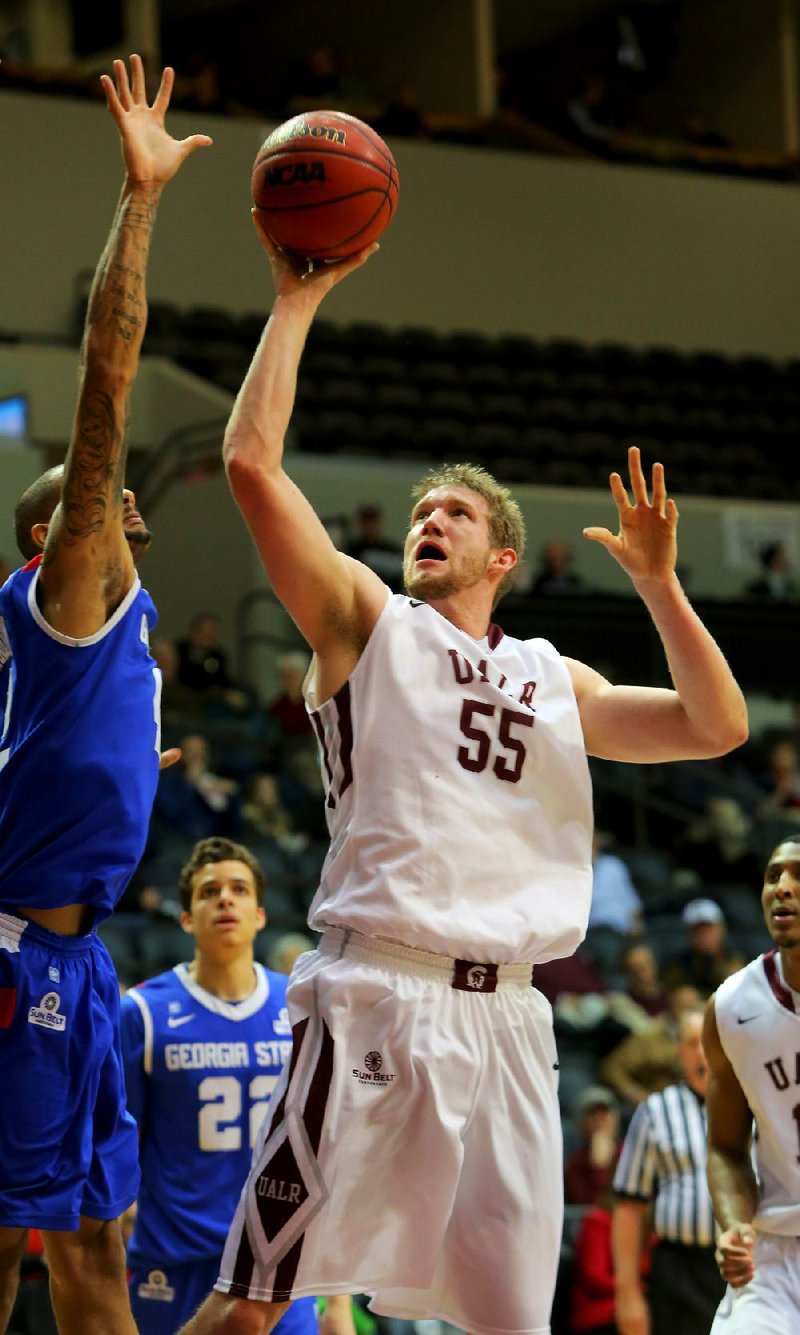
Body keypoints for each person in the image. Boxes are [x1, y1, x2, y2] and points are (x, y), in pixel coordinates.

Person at [177, 212, 746, 1335]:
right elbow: (249, 465)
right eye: (420, 509)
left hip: (511, 1023)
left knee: (507, 1326)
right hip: (379, 997)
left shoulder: (552, 676)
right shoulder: (364, 622)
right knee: (255, 1305)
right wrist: (295, 301)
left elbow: (714, 726)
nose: (427, 520)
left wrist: (660, 587)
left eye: (457, 512)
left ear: (500, 558)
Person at [0, 56, 211, 1335]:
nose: (122, 508)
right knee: (13, 1236)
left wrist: (135, 768)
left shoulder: (111, 633)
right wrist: (142, 199)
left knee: (94, 1234)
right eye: (96, 506)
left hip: (81, 961)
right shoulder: (72, 585)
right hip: (22, 957)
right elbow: (105, 380)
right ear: (55, 542)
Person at [120, 837, 319, 1335]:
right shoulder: (143, 1013)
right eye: (209, 892)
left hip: (277, 1259)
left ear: (260, 915)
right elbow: (117, 1136)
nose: (225, 899)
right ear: (186, 918)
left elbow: (321, 1148)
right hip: (175, 1257)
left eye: (239, 889)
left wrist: (334, 1298)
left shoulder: (299, 1008)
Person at [704, 837, 800, 1332]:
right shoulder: (732, 1007)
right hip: (774, 1255)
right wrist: (734, 1225)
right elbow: (725, 1146)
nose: (782, 888)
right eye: (772, 876)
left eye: (798, 875)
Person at [612, 1007, 725, 1335]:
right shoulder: (655, 1111)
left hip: (748, 1269)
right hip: (679, 1269)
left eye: (711, 1040)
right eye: (693, 1042)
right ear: (680, 1052)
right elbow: (629, 1208)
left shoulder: (756, 1105)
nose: (703, 1050)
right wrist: (628, 1294)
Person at [661, 898, 744, 996]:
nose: (703, 935)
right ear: (688, 934)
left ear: (721, 929)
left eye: (708, 929)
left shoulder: (736, 959)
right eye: (697, 931)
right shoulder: (676, 967)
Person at [565, 1086, 622, 1207]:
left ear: (615, 1120)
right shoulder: (575, 1163)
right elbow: (584, 1206)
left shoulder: (631, 1154)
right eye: (592, 1115)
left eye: (604, 1113)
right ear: (580, 1124)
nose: (599, 1120)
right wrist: (599, 1167)